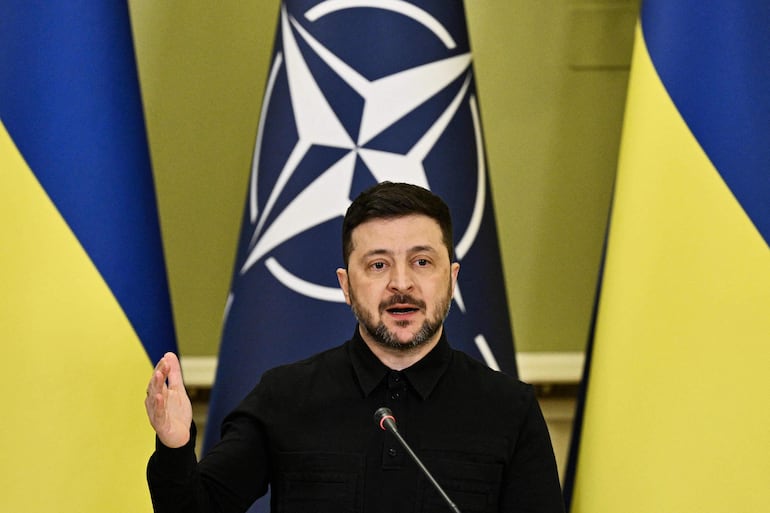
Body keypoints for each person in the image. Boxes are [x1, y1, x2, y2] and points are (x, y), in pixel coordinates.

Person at [145, 181, 565, 513]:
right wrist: (175, 445)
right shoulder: (284, 397)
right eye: (378, 265)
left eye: (421, 262)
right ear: (346, 286)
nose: (401, 283)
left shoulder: (509, 409)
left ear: (452, 279)